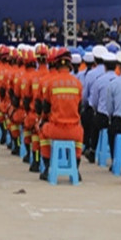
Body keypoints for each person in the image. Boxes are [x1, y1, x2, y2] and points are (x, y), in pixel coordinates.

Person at [39, 49, 84, 181]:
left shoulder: (51, 84)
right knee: (80, 134)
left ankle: (47, 167)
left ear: (56, 65)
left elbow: (45, 109)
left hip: (55, 130)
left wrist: (43, 121)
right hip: (74, 131)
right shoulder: (78, 84)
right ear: (70, 66)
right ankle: (75, 168)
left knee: (42, 132)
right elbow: (79, 108)